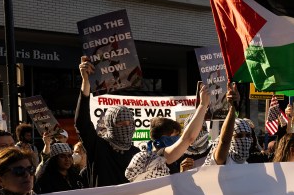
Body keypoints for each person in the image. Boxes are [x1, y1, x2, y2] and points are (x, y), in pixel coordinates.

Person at [125, 85, 210, 182]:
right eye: (175, 136)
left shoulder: (166, 160)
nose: (178, 139)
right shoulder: (153, 158)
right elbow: (188, 138)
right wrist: (203, 105)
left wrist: (181, 174)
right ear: (163, 138)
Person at [76, 57, 139, 187]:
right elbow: (82, 123)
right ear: (110, 124)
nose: (126, 128)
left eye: (129, 124)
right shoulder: (99, 146)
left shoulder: (136, 153)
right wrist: (86, 81)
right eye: (121, 124)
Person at [204, 83, 251, 166]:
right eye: (239, 136)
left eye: (248, 135)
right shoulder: (223, 159)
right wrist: (232, 107)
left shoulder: (246, 164)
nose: (245, 139)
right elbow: (224, 141)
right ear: (231, 138)